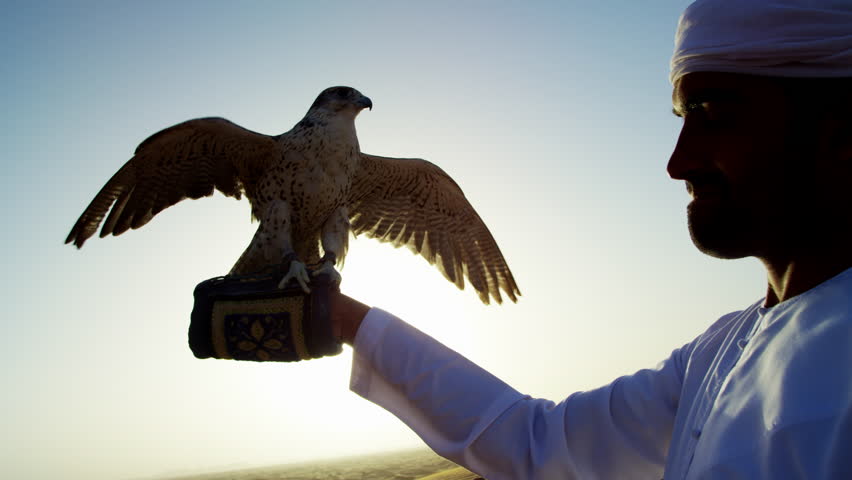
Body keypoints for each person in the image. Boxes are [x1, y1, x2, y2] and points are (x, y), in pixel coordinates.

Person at [327, 1, 852, 478]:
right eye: (682, 116)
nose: (677, 163)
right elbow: (539, 442)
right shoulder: (715, 353)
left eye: (710, 112)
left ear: (841, 132)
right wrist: (341, 318)